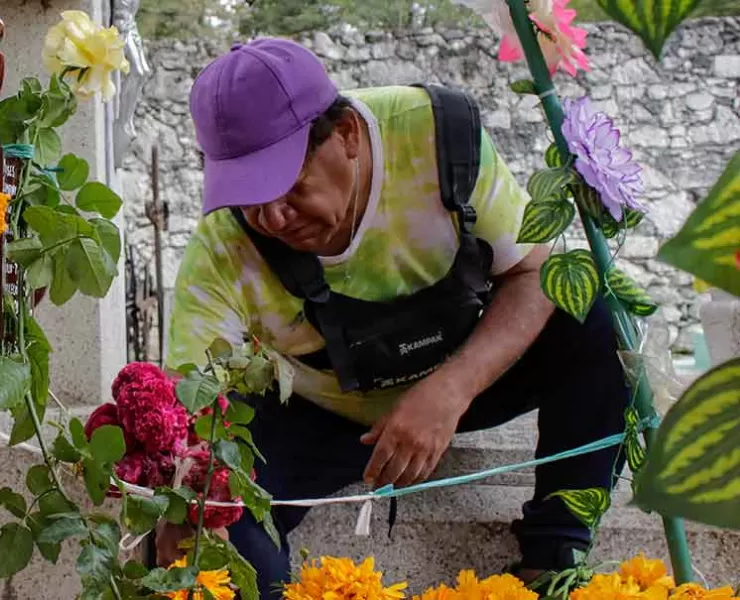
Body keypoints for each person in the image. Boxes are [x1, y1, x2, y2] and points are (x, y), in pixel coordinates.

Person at [159, 38, 628, 598]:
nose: (273, 217)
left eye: (287, 186)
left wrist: (450, 390)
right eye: (248, 199)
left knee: (597, 314)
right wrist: (181, 494)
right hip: (318, 415)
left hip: (462, 375)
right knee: (215, 516)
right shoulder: (222, 246)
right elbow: (188, 406)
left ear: (348, 135)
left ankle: (553, 563)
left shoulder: (436, 138)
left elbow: (533, 274)